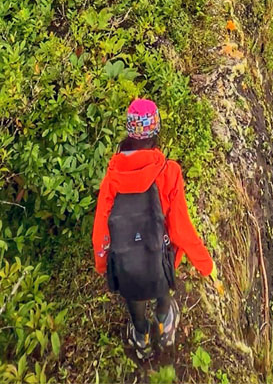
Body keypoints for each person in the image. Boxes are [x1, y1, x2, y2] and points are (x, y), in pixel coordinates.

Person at [93, 99, 215, 359]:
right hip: (160, 260)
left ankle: (141, 337)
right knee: (162, 291)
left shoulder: (112, 178)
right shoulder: (169, 172)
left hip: (126, 265)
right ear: (156, 130)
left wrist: (103, 264)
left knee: (134, 296)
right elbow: (181, 228)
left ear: (129, 131)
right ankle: (164, 324)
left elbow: (101, 231)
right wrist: (205, 264)